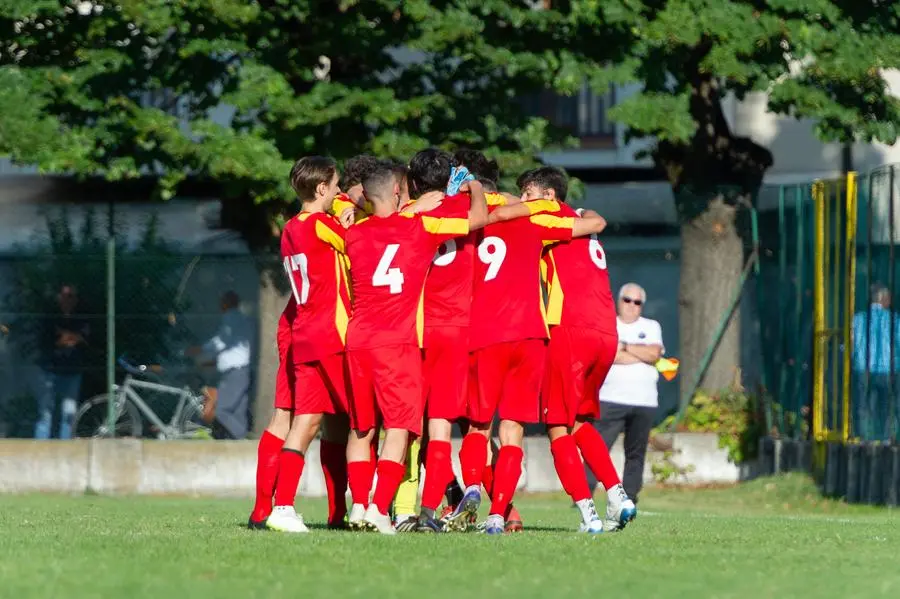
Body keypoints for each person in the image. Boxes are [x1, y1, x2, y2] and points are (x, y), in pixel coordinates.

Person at [343, 160, 487, 534]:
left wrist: (391, 204)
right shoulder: (417, 227)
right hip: (397, 340)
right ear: (397, 191)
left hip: (357, 339)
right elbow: (476, 221)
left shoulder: (353, 233)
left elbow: (355, 200)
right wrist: (471, 188)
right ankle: (378, 508)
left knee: (361, 428)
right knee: (399, 427)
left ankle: (358, 507)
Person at [459, 180, 610, 535]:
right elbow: (591, 225)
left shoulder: (467, 219)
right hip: (530, 334)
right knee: (512, 431)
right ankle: (498, 515)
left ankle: (465, 491)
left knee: (477, 427)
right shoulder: (536, 222)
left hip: (482, 334)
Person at [518, 166, 636, 533]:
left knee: (556, 425)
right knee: (580, 421)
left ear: (549, 196)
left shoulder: (546, 221)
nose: (523, 202)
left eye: (528, 194)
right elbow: (592, 221)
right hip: (605, 331)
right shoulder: (578, 217)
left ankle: (588, 513)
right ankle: (618, 494)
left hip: (570, 329)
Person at [259, 155, 356, 533]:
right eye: (335, 186)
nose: (339, 192)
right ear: (320, 189)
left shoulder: (290, 228)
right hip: (332, 334)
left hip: (304, 334)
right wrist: (349, 215)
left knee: (308, 421)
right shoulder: (321, 225)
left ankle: (284, 507)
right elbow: (358, 247)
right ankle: (367, 507)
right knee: (360, 423)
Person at [596, 283, 665, 505]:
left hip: (644, 400)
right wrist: (639, 352)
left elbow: (654, 353)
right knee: (597, 448)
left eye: (637, 302)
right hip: (611, 398)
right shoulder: (608, 324)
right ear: (619, 301)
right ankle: (583, 492)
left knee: (635, 453)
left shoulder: (651, 325)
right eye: (627, 300)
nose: (631, 306)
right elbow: (608, 356)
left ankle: (629, 497)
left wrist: (624, 346)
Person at [187, 291, 252, 440]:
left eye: (221, 302)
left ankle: (241, 440)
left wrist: (200, 350)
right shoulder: (241, 319)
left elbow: (220, 341)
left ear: (226, 303)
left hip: (234, 373)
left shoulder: (231, 317)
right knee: (237, 411)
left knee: (222, 410)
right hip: (241, 372)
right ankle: (240, 442)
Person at [35, 283, 89, 440]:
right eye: (65, 296)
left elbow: (84, 338)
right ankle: (41, 447)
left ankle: (65, 446)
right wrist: (71, 337)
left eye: (71, 296)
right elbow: (47, 340)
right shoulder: (50, 316)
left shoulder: (81, 317)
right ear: (59, 297)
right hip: (50, 369)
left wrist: (64, 336)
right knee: (45, 412)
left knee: (69, 413)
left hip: (73, 370)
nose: (68, 300)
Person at [851, 284, 900, 441]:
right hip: (888, 369)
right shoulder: (895, 320)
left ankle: (864, 439)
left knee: (863, 406)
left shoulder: (858, 319)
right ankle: (885, 439)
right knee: (886, 407)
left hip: (863, 368)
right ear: (885, 299)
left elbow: (852, 343)